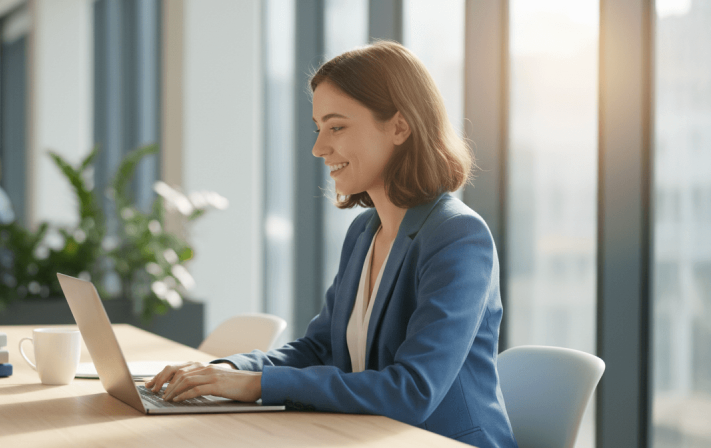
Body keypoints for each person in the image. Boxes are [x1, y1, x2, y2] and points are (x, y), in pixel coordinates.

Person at [145, 42, 518, 448]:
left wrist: (256, 385)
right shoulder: (364, 231)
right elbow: (319, 348)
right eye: (318, 127)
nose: (318, 148)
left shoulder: (458, 236)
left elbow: (412, 391)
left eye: (336, 127)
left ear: (399, 127)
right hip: (367, 436)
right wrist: (222, 371)